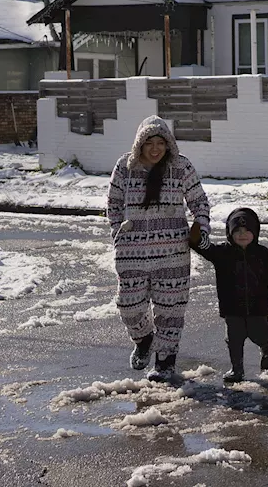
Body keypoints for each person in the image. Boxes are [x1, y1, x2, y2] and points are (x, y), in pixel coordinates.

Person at [107, 116, 210, 381]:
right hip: (132, 252)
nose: (155, 149)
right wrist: (118, 234)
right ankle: (143, 339)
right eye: (149, 142)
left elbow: (199, 202)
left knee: (171, 309)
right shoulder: (124, 167)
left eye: (160, 143)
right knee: (128, 305)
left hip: (172, 253)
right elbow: (114, 203)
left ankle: (165, 360)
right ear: (139, 144)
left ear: (168, 144)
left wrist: (201, 228)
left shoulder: (181, 166)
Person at [190, 207, 268, 383]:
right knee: (234, 340)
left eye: (247, 231)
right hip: (232, 307)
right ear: (230, 233)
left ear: (255, 232)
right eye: (237, 231)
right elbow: (207, 249)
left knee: (262, 335)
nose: (242, 235)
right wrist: (196, 240)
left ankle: (267, 351)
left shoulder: (262, 254)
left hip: (258, 307)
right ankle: (237, 369)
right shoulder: (222, 253)